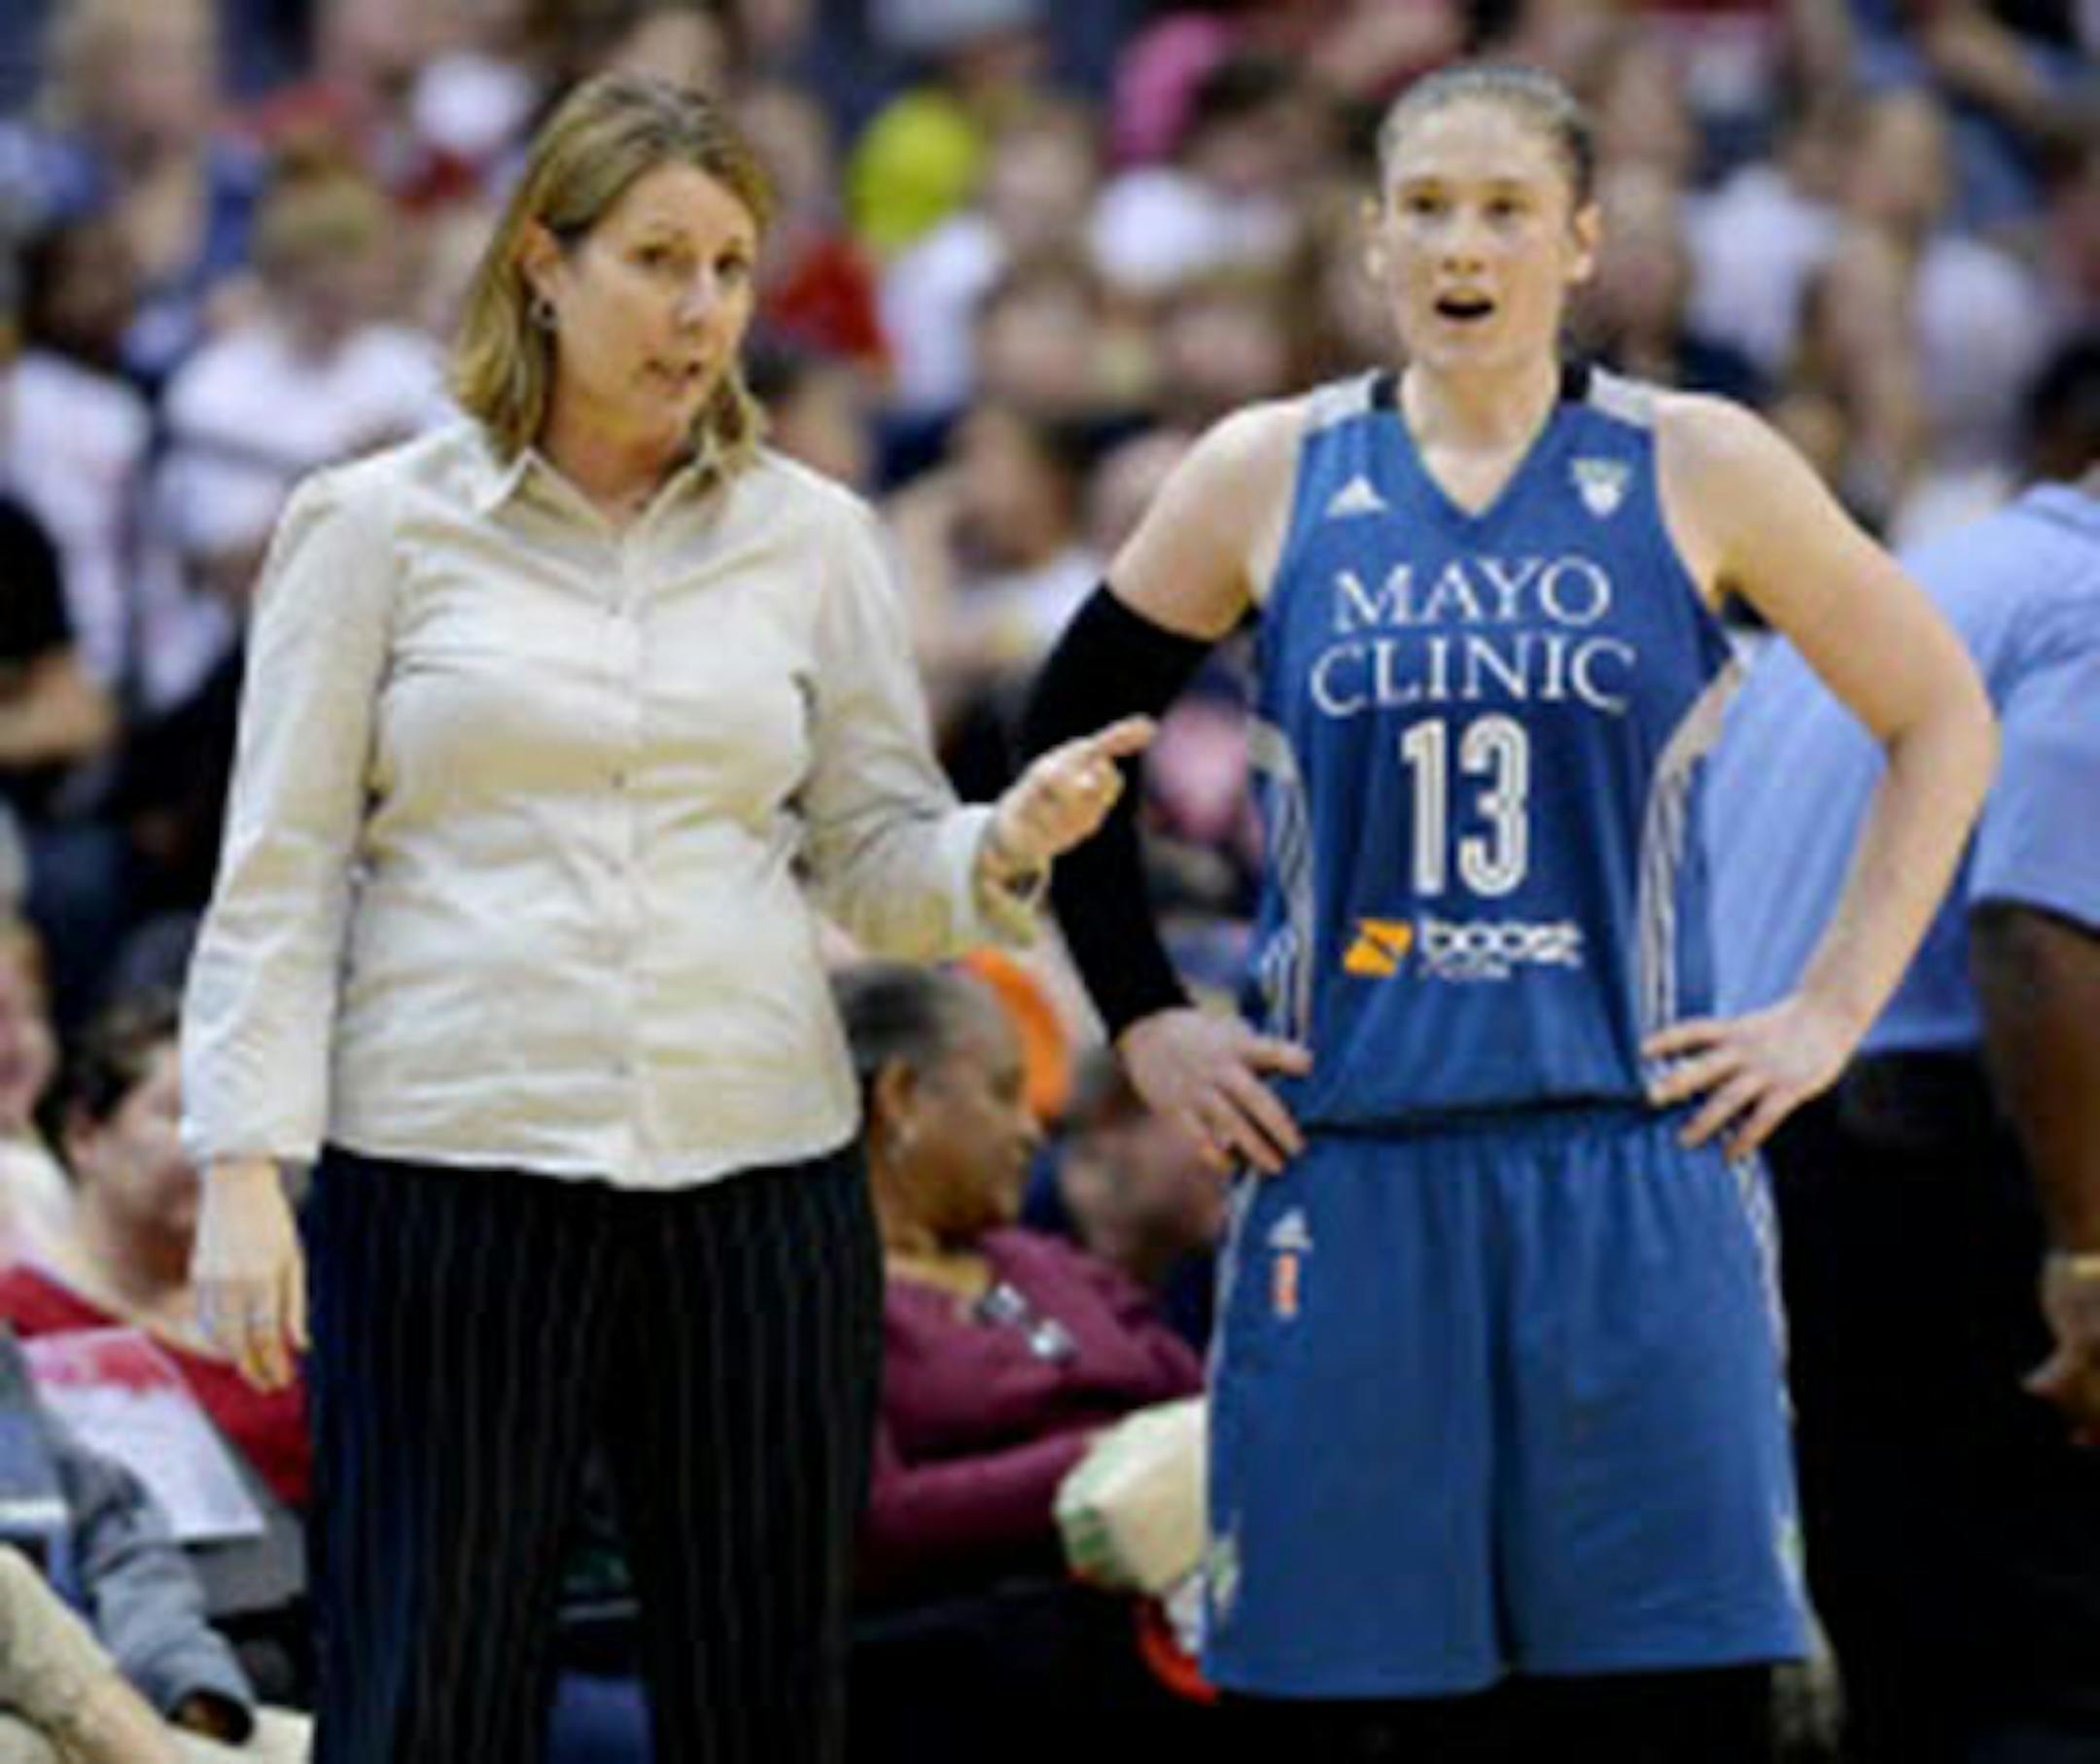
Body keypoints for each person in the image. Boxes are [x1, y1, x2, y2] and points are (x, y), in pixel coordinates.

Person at [1020, 61, 1998, 1763]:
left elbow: (1942, 714)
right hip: (1357, 1164)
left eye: (1505, 209)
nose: (1462, 244)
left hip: (1634, 1164)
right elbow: (1064, 736)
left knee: (1657, 1713)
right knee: (1351, 1718)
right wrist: (1147, 1013)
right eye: (1426, 207)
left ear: (1582, 243)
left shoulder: (1701, 462)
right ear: (1374, 240)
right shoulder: (1268, 469)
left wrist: (1830, 1006)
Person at [178, 74, 1149, 1764]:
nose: (701, 307)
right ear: (543, 267)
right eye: (656, 258)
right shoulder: (370, 525)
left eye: (730, 265)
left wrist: (1007, 836)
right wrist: (242, 1164)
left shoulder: (815, 537)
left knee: (762, 1694)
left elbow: (873, 856)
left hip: (756, 1176)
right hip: (451, 1168)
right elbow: (277, 870)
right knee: (432, 1687)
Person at [1706, 334, 2100, 1764]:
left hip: (1745, 1181)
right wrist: (2090, 1255)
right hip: (1923, 1191)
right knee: (2037, 1671)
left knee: (1887, 1651)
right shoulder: (2091, 602)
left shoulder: (1920, 588)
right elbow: (2039, 928)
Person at [833, 961, 1210, 1763]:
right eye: (1002, 1093)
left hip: (1167, 1642)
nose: (1032, 1131)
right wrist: (1105, 1462)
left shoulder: (1046, 1261)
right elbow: (874, 1523)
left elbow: (1210, 1414)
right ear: (901, 1098)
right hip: (955, 1678)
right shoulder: (807, 1292)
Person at [0, 990, 311, 1512]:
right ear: (84, 1135)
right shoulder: (18, 1319)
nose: (220, 1149)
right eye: (183, 1115)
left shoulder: (291, 1299)